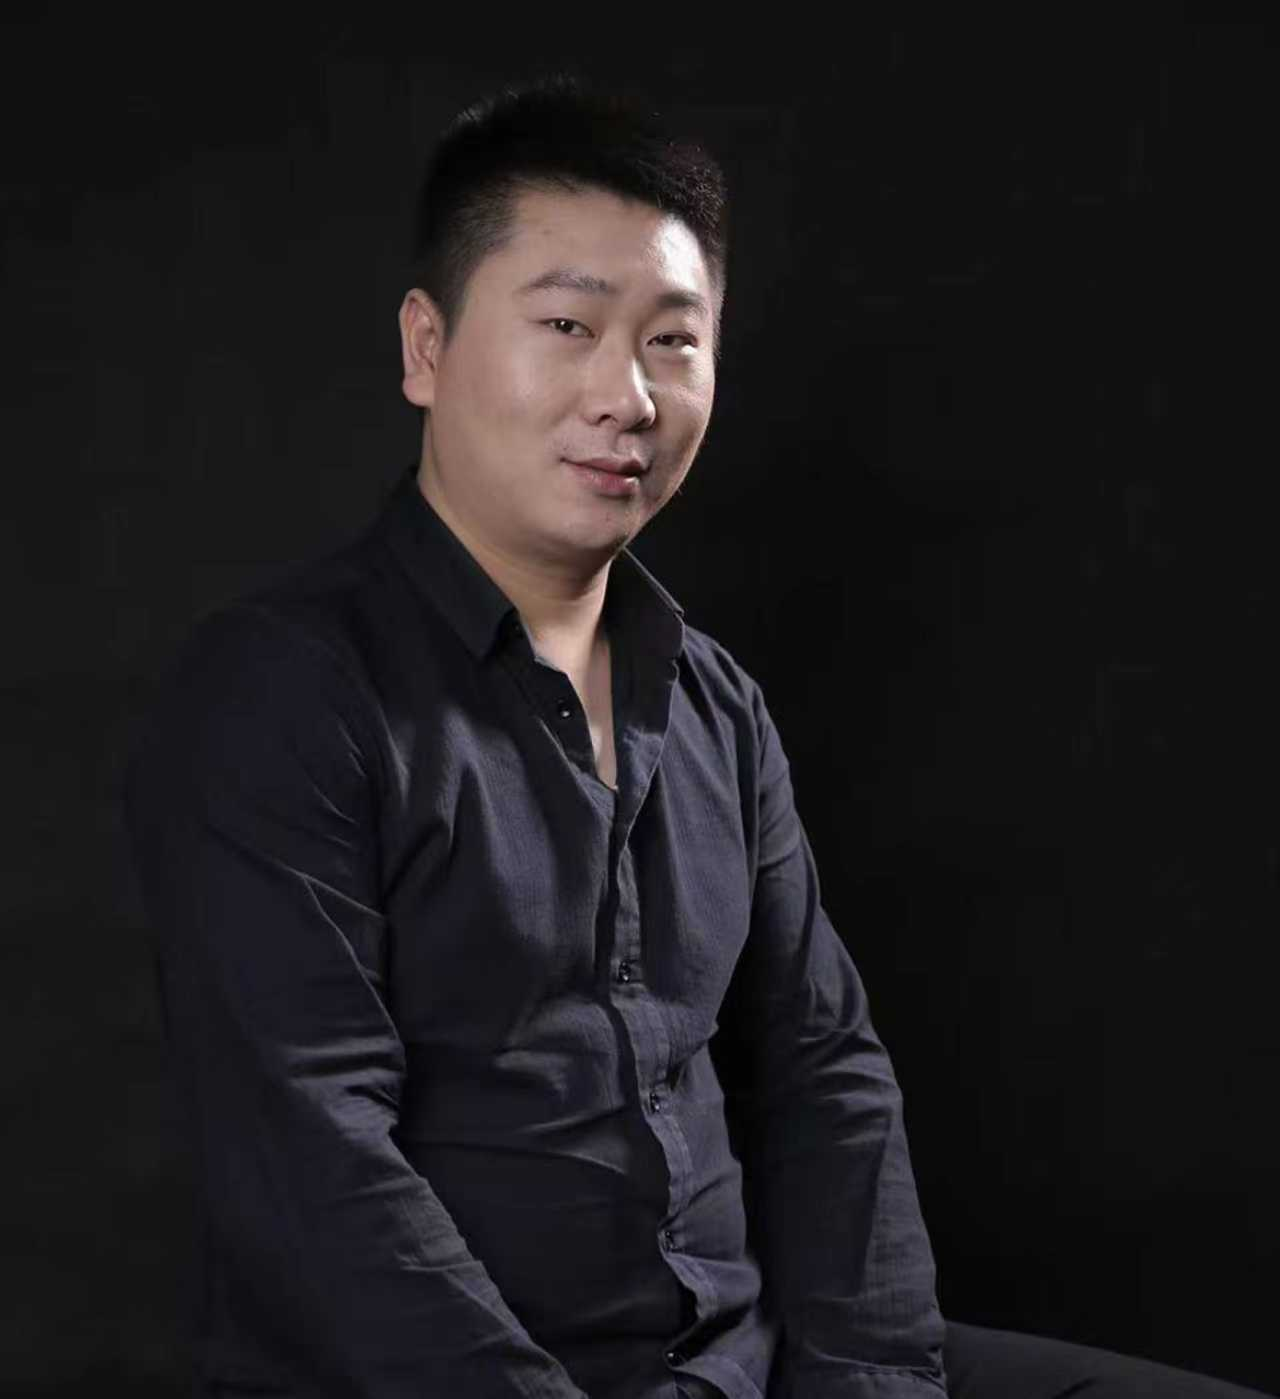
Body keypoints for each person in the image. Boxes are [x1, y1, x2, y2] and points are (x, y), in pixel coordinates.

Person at [123, 72, 1272, 1399]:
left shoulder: (715, 701)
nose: (628, 396)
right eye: (568, 324)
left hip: (746, 1367)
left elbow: (823, 1070)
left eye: (672, 340)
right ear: (426, 348)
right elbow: (312, 1162)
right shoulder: (279, 693)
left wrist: (869, 1386)